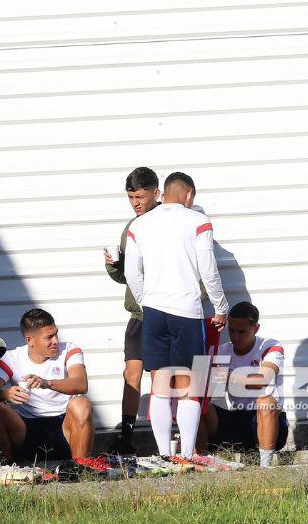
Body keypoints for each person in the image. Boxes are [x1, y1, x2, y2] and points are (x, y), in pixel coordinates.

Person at [125, 172, 229, 458]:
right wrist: (221, 306)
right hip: (186, 311)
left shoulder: (139, 224)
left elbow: (131, 272)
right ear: (189, 194)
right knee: (187, 385)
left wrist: (147, 300)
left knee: (159, 382)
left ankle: (163, 455)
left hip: (154, 311)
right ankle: (185, 454)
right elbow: (208, 269)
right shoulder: (198, 221)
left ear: (162, 193)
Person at [104, 167, 160, 453]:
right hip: (138, 315)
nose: (135, 203)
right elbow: (126, 276)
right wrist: (114, 265)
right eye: (130, 198)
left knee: (164, 375)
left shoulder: (167, 222)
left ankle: (171, 438)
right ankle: (126, 436)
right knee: (131, 373)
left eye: (140, 196)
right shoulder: (131, 227)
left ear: (156, 193)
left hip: (165, 312)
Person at [0, 308, 94, 462]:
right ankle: (4, 470)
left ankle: (80, 468)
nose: (55, 341)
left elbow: (81, 384)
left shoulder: (69, 350)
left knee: (81, 403)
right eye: (49, 337)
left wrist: (47, 383)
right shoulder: (11, 358)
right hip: (27, 428)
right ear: (29, 340)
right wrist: (5, 394)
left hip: (65, 426)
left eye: (56, 334)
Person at [201, 301, 288, 467]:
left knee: (265, 402)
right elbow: (207, 391)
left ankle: (265, 467)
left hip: (270, 422)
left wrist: (229, 377)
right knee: (198, 403)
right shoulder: (222, 351)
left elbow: (263, 379)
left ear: (256, 329)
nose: (235, 337)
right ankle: (199, 459)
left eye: (241, 332)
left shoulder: (270, 346)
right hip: (237, 418)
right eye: (231, 331)